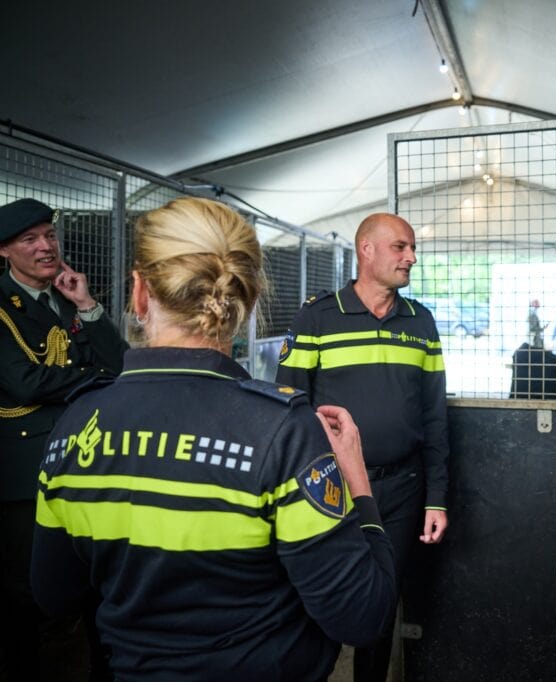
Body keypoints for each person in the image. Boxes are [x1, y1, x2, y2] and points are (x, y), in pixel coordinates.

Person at [30, 197, 397, 681]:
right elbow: (363, 617)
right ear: (249, 300)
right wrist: (359, 488)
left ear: (140, 293)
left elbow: (54, 594)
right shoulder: (282, 431)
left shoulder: (78, 423)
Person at [276, 212, 449, 682]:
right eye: (400, 247)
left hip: (401, 490)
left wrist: (436, 498)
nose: (411, 257)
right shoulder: (317, 316)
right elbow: (289, 407)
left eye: (412, 248)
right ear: (366, 250)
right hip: (328, 490)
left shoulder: (421, 322)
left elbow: (435, 417)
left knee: (381, 605)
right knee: (319, 597)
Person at [0, 197, 128, 680]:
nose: (45, 247)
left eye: (50, 236)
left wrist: (87, 305)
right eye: (29, 239)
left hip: (84, 462)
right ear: (4, 251)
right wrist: (94, 378)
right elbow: (24, 382)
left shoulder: (66, 297)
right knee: (23, 593)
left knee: (94, 578)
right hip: (24, 472)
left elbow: (120, 364)